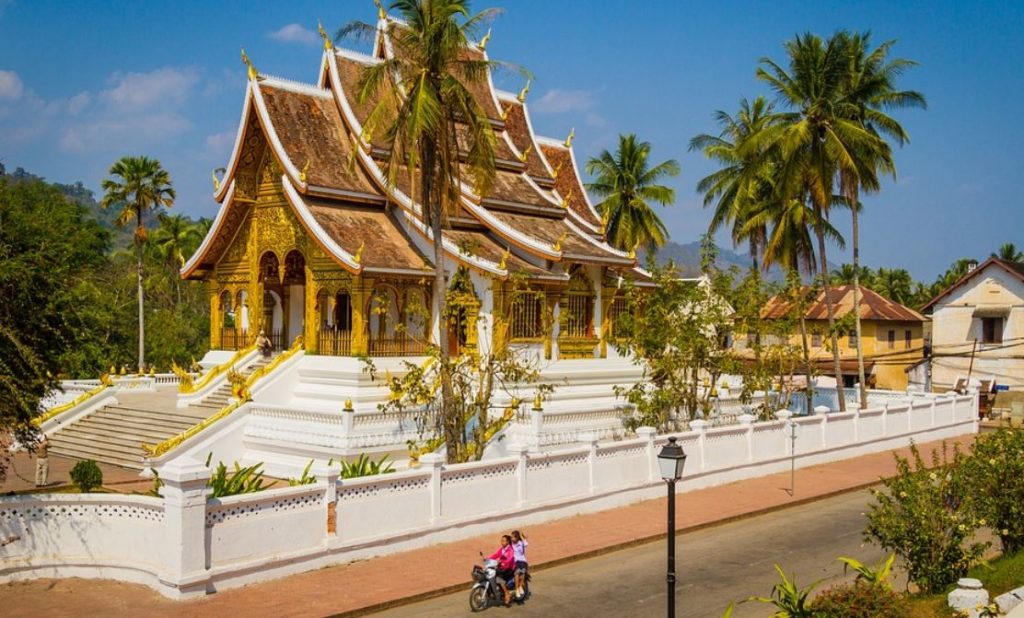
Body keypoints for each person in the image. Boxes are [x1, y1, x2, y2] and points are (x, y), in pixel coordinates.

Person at [487, 534, 515, 605]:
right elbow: (496, 555)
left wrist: (502, 562)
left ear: (508, 542)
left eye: (503, 541)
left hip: (509, 568)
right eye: (501, 541)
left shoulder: (510, 550)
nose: (502, 542)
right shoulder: (502, 549)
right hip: (502, 567)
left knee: (497, 578)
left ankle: (507, 594)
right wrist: (488, 558)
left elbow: (509, 559)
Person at [511, 529, 529, 599]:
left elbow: (526, 543)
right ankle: (516, 589)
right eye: (511, 537)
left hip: (522, 560)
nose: (512, 539)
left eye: (513, 537)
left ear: (517, 538)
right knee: (517, 572)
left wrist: (523, 536)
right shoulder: (511, 544)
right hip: (515, 561)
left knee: (523, 571)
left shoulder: (521, 543)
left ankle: (520, 586)